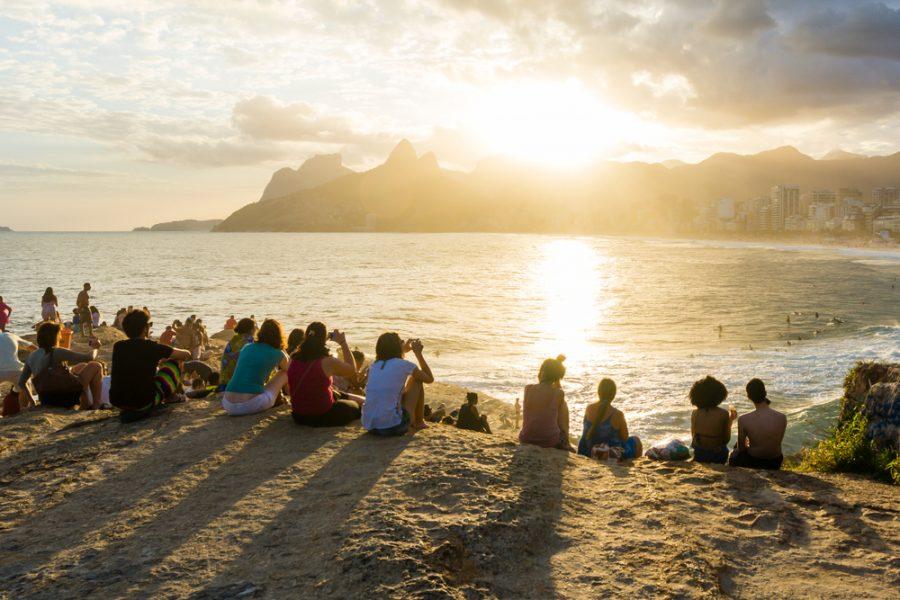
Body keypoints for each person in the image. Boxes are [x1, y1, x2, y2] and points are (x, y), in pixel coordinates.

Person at [109, 309, 191, 422]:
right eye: (149, 325)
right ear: (144, 329)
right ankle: (172, 397)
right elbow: (186, 354)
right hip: (143, 402)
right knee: (175, 362)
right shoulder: (152, 347)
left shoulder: (118, 346)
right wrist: (164, 357)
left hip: (119, 402)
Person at [289, 322, 362, 427]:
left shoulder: (294, 356)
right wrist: (342, 342)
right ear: (324, 339)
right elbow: (351, 369)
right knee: (356, 407)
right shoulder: (327, 362)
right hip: (321, 416)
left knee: (339, 393)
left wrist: (321, 337)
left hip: (298, 415)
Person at [18, 321, 104, 410]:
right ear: (54, 337)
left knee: (81, 366)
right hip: (64, 396)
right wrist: (95, 348)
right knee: (96, 366)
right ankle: (96, 405)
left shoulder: (31, 356)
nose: (61, 337)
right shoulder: (57, 352)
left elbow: (21, 382)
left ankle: (85, 404)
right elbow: (89, 357)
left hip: (46, 399)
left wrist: (32, 402)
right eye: (59, 335)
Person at [362, 333, 434, 436]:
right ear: (397, 347)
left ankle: (417, 421)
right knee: (417, 379)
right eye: (401, 342)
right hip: (392, 427)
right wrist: (418, 354)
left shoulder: (373, 365)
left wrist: (402, 351)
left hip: (370, 426)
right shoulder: (404, 365)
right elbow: (429, 378)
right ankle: (419, 422)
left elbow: (392, 367)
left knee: (393, 392)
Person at [222, 318, 290, 416]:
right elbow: (291, 369)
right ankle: (289, 396)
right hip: (249, 404)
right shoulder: (278, 353)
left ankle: (282, 397)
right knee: (285, 373)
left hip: (228, 403)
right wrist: (282, 349)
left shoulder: (247, 347)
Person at [577, 378, 643, 459]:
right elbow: (625, 437)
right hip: (607, 454)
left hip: (586, 450)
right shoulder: (617, 414)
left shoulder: (589, 408)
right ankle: (631, 464)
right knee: (636, 441)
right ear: (613, 395)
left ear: (598, 392)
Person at [729, 379, 787, 470]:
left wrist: (747, 445)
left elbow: (741, 449)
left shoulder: (743, 419)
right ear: (765, 393)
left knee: (735, 449)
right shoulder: (782, 417)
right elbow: (774, 442)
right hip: (775, 461)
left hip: (754, 461)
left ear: (749, 396)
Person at [519, 355, 572, 450]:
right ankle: (566, 442)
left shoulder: (528, 389)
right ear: (557, 378)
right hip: (549, 441)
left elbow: (541, 394)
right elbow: (562, 421)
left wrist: (557, 363)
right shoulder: (558, 393)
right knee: (563, 405)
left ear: (542, 373)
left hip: (525, 438)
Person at [687, 376, 735, 464]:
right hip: (717, 456)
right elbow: (726, 439)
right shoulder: (723, 413)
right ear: (718, 396)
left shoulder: (695, 413)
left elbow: (693, 437)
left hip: (699, 454)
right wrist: (731, 420)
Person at [0, 329, 37, 411]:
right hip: (15, 369)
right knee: (25, 386)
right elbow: (33, 348)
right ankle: (24, 408)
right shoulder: (10, 335)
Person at [220, 317, 257, 387]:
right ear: (251, 329)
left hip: (224, 381)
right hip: (238, 383)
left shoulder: (234, 340)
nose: (256, 329)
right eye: (255, 327)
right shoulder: (249, 340)